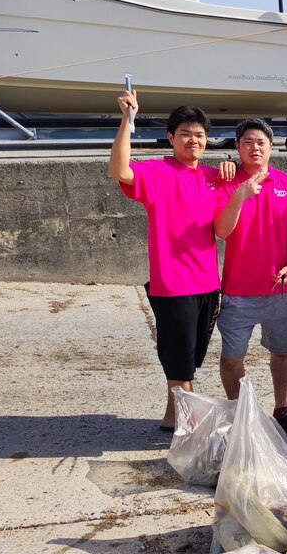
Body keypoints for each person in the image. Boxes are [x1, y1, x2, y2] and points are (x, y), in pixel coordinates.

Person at [108, 91, 221, 432]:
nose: (193, 140)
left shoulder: (213, 176)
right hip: (172, 284)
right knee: (178, 363)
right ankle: (189, 429)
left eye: (199, 135)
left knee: (191, 359)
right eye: (186, 133)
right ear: (171, 137)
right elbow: (119, 169)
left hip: (209, 284)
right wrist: (127, 120)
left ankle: (173, 417)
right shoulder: (157, 172)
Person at [214, 119, 287, 434]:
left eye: (260, 142)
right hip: (238, 291)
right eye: (247, 142)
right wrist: (240, 195)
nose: (254, 148)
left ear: (271, 147)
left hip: (281, 291)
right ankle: (241, 412)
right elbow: (222, 230)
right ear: (237, 147)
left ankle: (281, 407)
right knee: (232, 358)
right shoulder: (226, 183)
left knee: (281, 352)